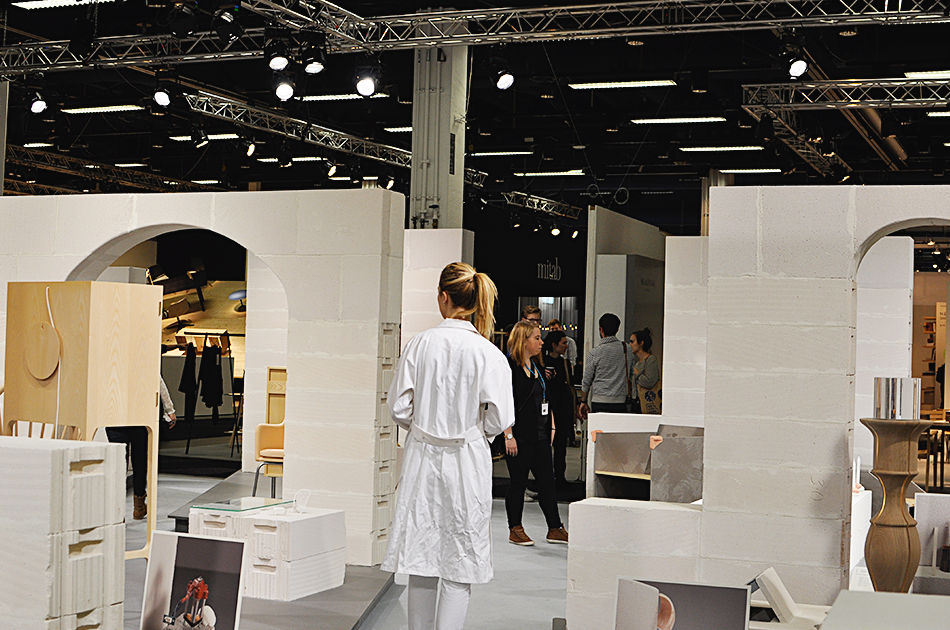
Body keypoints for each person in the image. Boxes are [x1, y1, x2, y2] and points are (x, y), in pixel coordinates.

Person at [382, 262, 514, 630]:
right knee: (460, 561)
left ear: (443, 297)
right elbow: (500, 417)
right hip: (467, 459)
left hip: (423, 455)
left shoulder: (420, 344)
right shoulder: (488, 353)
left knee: (421, 558)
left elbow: (398, 407)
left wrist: (423, 427)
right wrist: (475, 433)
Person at [504, 321, 569, 546]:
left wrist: (552, 426)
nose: (541, 342)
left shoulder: (538, 368)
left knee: (547, 482)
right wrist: (508, 435)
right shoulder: (509, 369)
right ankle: (515, 528)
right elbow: (504, 403)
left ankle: (555, 528)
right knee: (518, 483)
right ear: (523, 341)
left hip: (540, 434)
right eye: (536, 338)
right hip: (519, 435)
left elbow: (545, 399)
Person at [106, 376, 177, 520]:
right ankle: (138, 507)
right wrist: (169, 409)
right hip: (138, 416)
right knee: (139, 463)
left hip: (114, 416)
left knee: (117, 466)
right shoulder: (143, 362)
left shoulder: (109, 363)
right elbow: (158, 382)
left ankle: (116, 511)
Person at [543, 330, 578, 485]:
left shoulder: (564, 363)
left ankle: (560, 476)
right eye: (563, 343)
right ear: (554, 345)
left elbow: (569, 384)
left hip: (562, 405)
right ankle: (546, 477)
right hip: (547, 405)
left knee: (561, 442)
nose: (566, 346)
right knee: (545, 441)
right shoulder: (541, 362)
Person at [578, 313, 628, 418]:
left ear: (601, 330)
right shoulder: (627, 349)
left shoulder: (595, 352)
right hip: (620, 401)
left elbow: (587, 380)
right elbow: (631, 374)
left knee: (599, 428)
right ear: (617, 329)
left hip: (599, 400)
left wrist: (583, 401)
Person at [629, 328, 660, 412]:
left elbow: (649, 382)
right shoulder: (637, 363)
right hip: (636, 403)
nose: (630, 344)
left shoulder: (651, 360)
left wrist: (636, 373)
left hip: (647, 403)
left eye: (632, 342)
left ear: (641, 343)